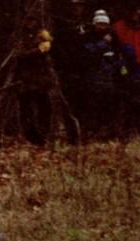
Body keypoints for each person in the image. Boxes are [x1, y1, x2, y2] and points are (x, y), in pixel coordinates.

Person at [80, 10, 126, 139]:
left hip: (111, 79)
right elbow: (87, 55)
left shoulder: (114, 37)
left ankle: (110, 134)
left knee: (110, 108)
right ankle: (92, 133)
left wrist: (119, 67)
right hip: (93, 78)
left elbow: (120, 55)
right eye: (99, 24)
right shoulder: (87, 36)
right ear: (95, 24)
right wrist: (103, 44)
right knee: (93, 108)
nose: (102, 27)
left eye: (104, 24)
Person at [12, 12, 55, 146]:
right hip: (25, 79)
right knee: (26, 110)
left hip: (41, 79)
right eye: (28, 20)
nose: (30, 23)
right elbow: (19, 54)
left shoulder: (42, 34)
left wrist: (40, 49)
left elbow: (47, 49)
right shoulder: (19, 35)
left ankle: (44, 135)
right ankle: (31, 137)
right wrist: (37, 51)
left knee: (45, 108)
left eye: (33, 20)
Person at [53, 0, 91, 143]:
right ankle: (72, 136)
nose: (77, 9)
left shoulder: (86, 25)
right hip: (67, 71)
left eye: (80, 5)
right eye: (74, 6)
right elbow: (57, 49)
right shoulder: (61, 25)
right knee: (69, 104)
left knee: (84, 104)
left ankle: (84, 134)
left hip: (84, 72)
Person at [113, 3, 140, 73]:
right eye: (135, 10)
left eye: (139, 10)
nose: (138, 12)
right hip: (126, 66)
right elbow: (115, 47)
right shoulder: (118, 27)